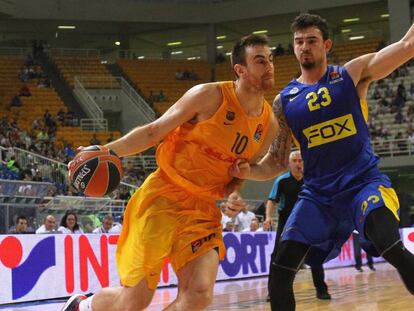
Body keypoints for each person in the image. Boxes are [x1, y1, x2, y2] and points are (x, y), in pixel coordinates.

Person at [62, 34, 280, 311]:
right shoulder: (209, 96)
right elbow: (154, 131)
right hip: (162, 198)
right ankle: (82, 306)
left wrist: (236, 190)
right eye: (260, 61)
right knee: (134, 302)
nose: (270, 66)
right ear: (241, 69)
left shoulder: (268, 123)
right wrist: (106, 151)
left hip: (202, 211)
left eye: (271, 60)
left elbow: (239, 170)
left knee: (199, 294)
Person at [231, 13, 414, 310]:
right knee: (280, 270)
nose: (305, 47)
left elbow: (407, 45)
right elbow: (277, 162)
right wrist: (248, 169)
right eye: (299, 42)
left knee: (390, 245)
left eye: (312, 41)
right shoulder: (285, 101)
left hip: (362, 184)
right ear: (293, 48)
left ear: (326, 44)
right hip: (319, 196)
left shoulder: (351, 75)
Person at [264, 151, 330, 301]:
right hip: (286, 222)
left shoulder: (311, 180)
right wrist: (268, 217)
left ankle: (321, 290)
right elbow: (271, 200)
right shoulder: (281, 181)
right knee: (277, 256)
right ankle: (273, 291)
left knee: (316, 254)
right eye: (294, 160)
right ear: (289, 163)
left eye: (300, 161)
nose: (298, 163)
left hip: (308, 221)